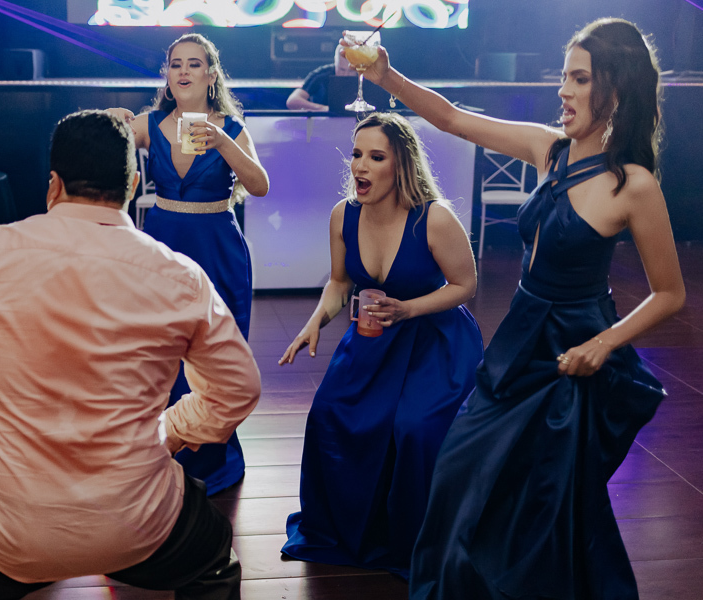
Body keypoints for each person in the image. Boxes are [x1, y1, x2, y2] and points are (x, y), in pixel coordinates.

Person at [350, 18, 686, 598]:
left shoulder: (634, 185)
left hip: (572, 352)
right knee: (458, 470)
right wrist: (387, 76)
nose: (563, 90)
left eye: (578, 78)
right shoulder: (547, 149)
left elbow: (670, 294)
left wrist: (603, 345)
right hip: (518, 341)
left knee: (548, 501)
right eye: (564, 76)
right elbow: (453, 119)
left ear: (617, 88)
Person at [0, 109, 261, 600]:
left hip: (10, 531)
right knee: (215, 561)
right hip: (140, 525)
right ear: (135, 181)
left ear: (53, 184)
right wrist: (169, 432)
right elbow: (238, 390)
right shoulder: (179, 275)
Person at [277, 112, 483, 577]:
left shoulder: (435, 218)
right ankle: (348, 527)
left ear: (401, 165)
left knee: (413, 429)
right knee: (329, 414)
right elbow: (339, 283)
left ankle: (411, 538)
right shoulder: (342, 215)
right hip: (373, 340)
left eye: (375, 157)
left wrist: (408, 309)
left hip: (436, 342)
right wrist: (316, 322)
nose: (360, 167)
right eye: (355, 155)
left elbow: (465, 285)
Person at [108, 33, 269, 495]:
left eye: (194, 64)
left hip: (217, 246)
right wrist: (114, 122)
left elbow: (259, 186)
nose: (182, 72)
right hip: (162, 244)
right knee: (160, 347)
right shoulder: (152, 122)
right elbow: (101, 142)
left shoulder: (232, 129)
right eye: (175, 64)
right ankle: (157, 451)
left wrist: (222, 142)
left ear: (211, 75)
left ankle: (209, 455)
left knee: (213, 350)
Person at [285, 43, 358, 111]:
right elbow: (292, 101)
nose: (345, 74)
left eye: (351, 71)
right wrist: (323, 108)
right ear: (335, 61)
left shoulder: (364, 75)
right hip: (321, 121)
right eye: (341, 69)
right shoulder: (321, 74)